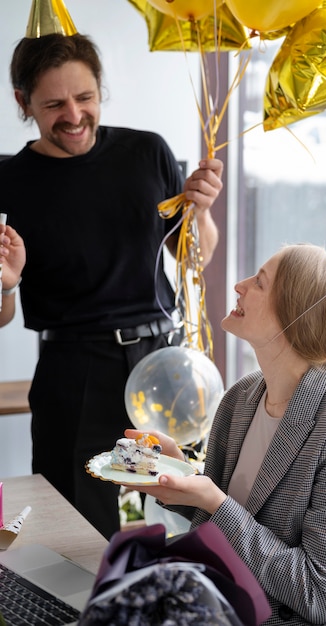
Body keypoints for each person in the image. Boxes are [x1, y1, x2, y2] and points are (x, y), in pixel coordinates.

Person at [0, 20, 223, 540]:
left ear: (101, 92)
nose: (74, 116)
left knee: (189, 514)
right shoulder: (7, 181)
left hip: (163, 363)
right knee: (77, 531)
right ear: (23, 102)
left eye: (85, 97)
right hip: (73, 372)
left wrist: (204, 212)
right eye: (54, 105)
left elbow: (193, 257)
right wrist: (7, 282)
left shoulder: (147, 152)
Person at [124, 241, 326, 625]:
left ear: (296, 315)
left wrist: (214, 502)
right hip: (227, 594)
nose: (240, 285)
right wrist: (179, 474)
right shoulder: (242, 398)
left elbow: (318, 597)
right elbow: (230, 514)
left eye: (260, 283)